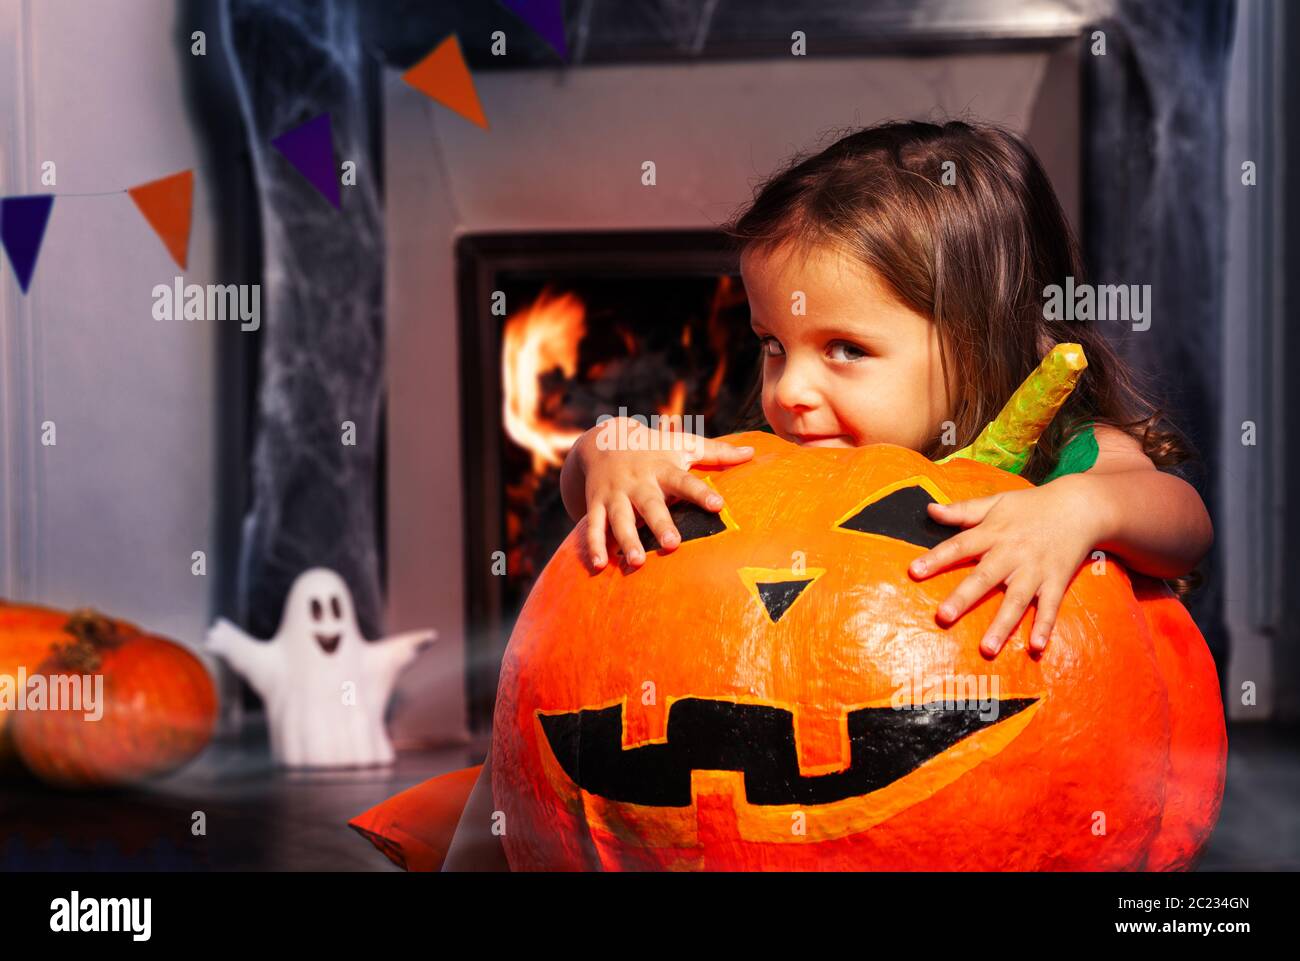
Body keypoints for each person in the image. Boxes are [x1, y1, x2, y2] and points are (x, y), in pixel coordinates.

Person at [446, 118, 1214, 870]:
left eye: (845, 349)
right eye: (774, 344)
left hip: (997, 792)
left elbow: (1182, 520)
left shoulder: (1066, 457)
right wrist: (603, 454)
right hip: (739, 733)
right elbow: (602, 487)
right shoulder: (777, 458)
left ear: (980, 339)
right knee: (540, 717)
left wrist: (1081, 509)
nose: (791, 390)